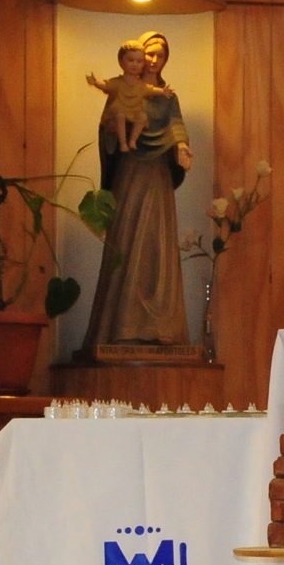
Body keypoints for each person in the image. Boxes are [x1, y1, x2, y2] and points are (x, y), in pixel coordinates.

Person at [79, 31, 193, 349]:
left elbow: (175, 125)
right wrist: (113, 131)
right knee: (127, 240)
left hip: (157, 176)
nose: (154, 60)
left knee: (157, 243)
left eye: (160, 55)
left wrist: (182, 147)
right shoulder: (126, 88)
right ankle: (121, 325)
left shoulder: (165, 96)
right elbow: (108, 126)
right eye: (150, 54)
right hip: (130, 174)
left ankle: (160, 326)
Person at [84, 40, 160, 153]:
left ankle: (132, 140)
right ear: (121, 62)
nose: (135, 64)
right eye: (131, 60)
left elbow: (151, 90)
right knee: (120, 115)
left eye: (139, 61)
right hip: (118, 115)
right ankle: (123, 143)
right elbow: (106, 85)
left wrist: (163, 91)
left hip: (134, 114)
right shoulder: (118, 82)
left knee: (143, 117)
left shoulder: (141, 85)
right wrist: (95, 83)